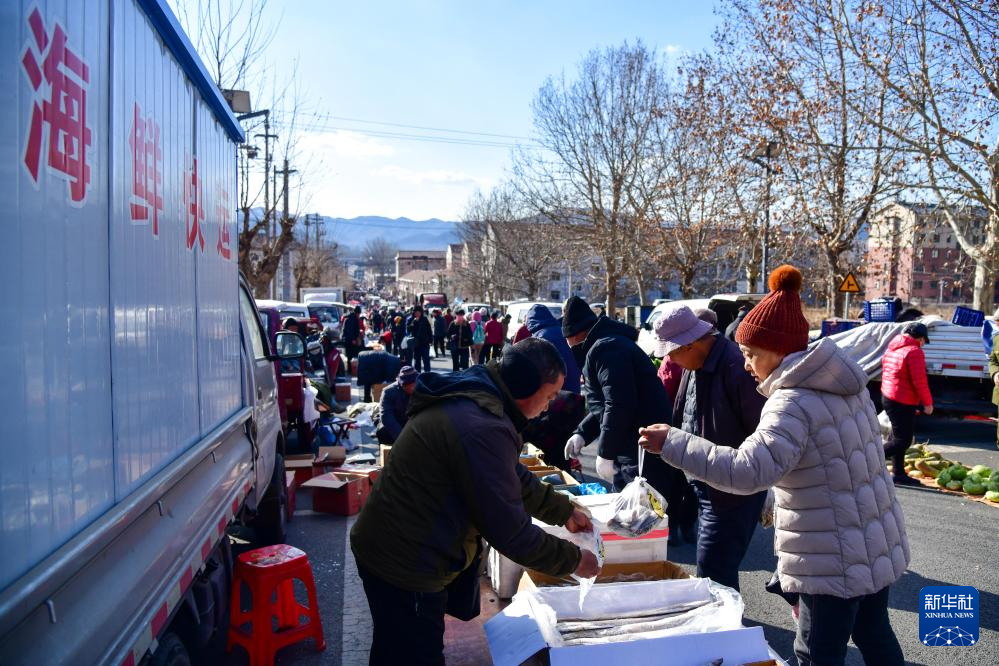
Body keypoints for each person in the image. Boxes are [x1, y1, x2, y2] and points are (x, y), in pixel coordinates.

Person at [639, 265, 909, 666]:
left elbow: (748, 471)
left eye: (751, 355)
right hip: (871, 542)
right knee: (874, 634)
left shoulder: (792, 401)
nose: (746, 365)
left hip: (829, 555)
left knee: (815, 652)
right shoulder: (847, 389)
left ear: (780, 353)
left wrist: (674, 443)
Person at [350, 338, 600, 665]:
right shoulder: (481, 425)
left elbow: (508, 474)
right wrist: (573, 560)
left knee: (394, 648)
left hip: (398, 542)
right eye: (550, 396)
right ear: (525, 388)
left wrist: (563, 510)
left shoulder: (484, 398)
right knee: (412, 654)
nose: (549, 406)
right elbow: (511, 533)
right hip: (405, 561)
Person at [652, 305, 768, 585]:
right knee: (713, 568)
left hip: (732, 489)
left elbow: (762, 432)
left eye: (672, 352)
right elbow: (685, 415)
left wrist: (772, 483)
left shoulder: (735, 367)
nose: (671, 360)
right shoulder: (696, 365)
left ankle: (726, 627)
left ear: (690, 344)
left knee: (713, 569)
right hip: (706, 482)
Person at [560, 296, 673, 493]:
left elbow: (619, 403)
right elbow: (604, 404)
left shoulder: (607, 349)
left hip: (641, 446)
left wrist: (605, 453)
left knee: (644, 512)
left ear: (577, 335)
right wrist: (582, 433)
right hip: (632, 442)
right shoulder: (605, 346)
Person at [881, 321, 934, 486]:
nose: (924, 344)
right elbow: (919, 381)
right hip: (902, 400)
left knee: (898, 437)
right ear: (919, 338)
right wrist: (928, 403)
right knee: (903, 441)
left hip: (889, 396)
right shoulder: (914, 352)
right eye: (924, 340)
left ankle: (899, 473)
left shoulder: (893, 348)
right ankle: (868, 461)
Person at [524, 303, 580, 394]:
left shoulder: (539, 337)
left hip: (555, 390)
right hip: (574, 385)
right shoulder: (562, 331)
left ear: (530, 321)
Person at [374, 366, 417, 444]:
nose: (411, 388)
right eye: (407, 385)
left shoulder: (422, 388)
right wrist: (402, 438)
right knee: (382, 431)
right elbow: (386, 416)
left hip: (414, 422)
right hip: (398, 422)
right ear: (401, 384)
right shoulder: (388, 392)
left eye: (413, 385)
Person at [406, 305, 433, 373]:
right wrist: (414, 322)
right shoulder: (411, 319)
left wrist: (431, 340)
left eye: (419, 312)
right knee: (417, 361)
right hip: (416, 344)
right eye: (416, 312)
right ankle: (418, 376)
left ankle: (428, 376)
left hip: (425, 343)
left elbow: (429, 330)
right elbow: (408, 330)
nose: (417, 313)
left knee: (426, 360)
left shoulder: (424, 319)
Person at [342, 306, 364, 375]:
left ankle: (351, 370)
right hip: (350, 340)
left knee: (350, 355)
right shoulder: (352, 318)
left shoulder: (350, 317)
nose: (359, 315)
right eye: (359, 314)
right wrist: (353, 339)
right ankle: (351, 370)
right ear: (357, 313)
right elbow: (350, 330)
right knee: (351, 355)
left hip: (348, 340)